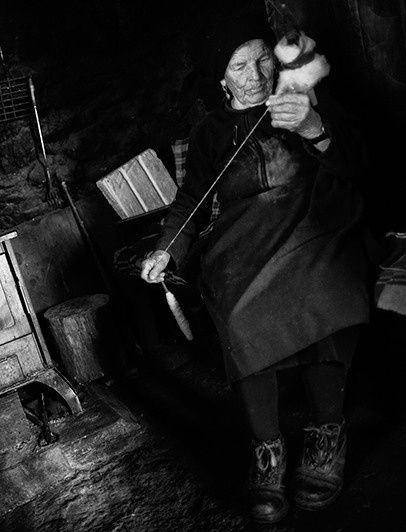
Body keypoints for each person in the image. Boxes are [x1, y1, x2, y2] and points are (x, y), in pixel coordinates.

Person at [138, 10, 371, 526]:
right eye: (239, 66)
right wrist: (166, 249)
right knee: (239, 311)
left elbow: (356, 163)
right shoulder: (209, 134)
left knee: (326, 283)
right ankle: (267, 451)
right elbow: (192, 200)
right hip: (243, 239)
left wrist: (313, 126)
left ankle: (325, 435)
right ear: (221, 78)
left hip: (316, 222)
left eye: (262, 57)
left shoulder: (307, 98)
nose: (257, 73)